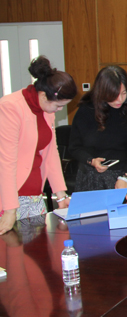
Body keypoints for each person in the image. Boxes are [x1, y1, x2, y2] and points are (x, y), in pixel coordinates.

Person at [0, 56, 77, 235]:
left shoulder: (45, 108)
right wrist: (10, 209)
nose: (59, 110)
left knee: (36, 246)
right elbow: (6, 161)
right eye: (58, 105)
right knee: (10, 247)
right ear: (43, 95)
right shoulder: (10, 107)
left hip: (34, 192)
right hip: (9, 193)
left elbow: (51, 153)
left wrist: (61, 195)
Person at [68, 66, 127, 192]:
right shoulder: (86, 111)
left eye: (123, 93)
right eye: (113, 95)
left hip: (122, 176)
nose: (120, 100)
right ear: (102, 92)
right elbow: (74, 147)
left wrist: (125, 176)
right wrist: (91, 161)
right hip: (91, 176)